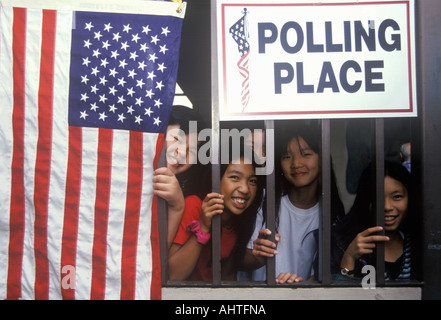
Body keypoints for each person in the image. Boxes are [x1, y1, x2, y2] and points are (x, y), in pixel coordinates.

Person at [241, 120, 345, 283]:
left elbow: (326, 275)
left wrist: (300, 288)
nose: (296, 164)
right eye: (287, 156)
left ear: (322, 158)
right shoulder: (263, 201)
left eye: (306, 154)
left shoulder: (331, 216)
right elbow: (235, 260)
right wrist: (258, 256)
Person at [167, 140, 264, 281]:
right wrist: (203, 227)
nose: (245, 189)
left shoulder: (237, 221)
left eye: (252, 181)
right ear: (216, 179)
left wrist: (260, 258)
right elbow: (173, 276)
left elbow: (226, 276)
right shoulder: (194, 205)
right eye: (235, 177)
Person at [331, 161, 415, 281]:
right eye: (378, 198)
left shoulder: (421, 244)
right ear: (366, 200)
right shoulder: (341, 243)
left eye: (397, 197)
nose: (387, 207)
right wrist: (349, 258)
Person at [153, 105, 210, 248]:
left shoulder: (184, 194)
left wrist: (177, 206)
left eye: (192, 149)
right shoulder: (131, 174)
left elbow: (157, 257)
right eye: (177, 140)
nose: (183, 153)